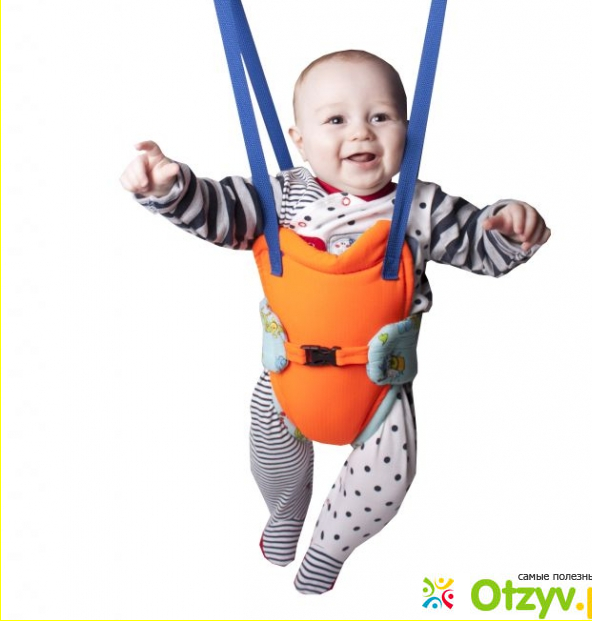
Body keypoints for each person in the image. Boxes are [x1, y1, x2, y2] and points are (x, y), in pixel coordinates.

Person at [120, 49, 550, 594]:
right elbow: (219, 212)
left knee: (385, 482)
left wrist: (510, 227)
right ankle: (285, 512)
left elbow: (478, 245)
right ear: (300, 141)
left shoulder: (420, 207)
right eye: (336, 120)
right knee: (271, 461)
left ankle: (328, 549)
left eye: (380, 116)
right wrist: (170, 187)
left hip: (378, 393)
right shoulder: (278, 197)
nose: (361, 132)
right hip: (286, 382)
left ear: (408, 130)